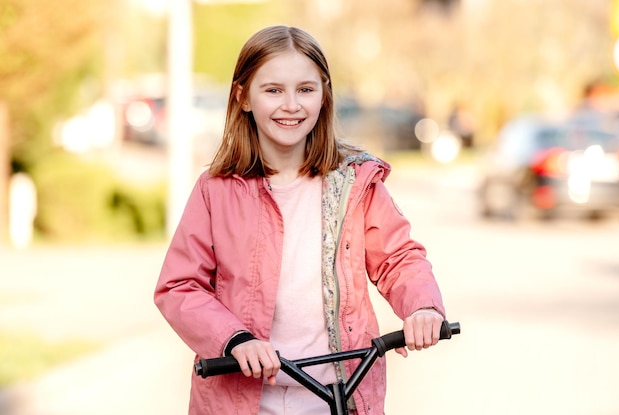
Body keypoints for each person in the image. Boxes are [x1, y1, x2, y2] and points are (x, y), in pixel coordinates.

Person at [154, 25, 446, 415]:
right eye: (273, 90)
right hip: (242, 401)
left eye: (305, 90)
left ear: (324, 96)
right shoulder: (216, 189)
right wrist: (234, 339)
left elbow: (399, 259)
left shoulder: (356, 182)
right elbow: (179, 285)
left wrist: (422, 307)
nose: (290, 105)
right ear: (243, 97)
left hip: (339, 396)